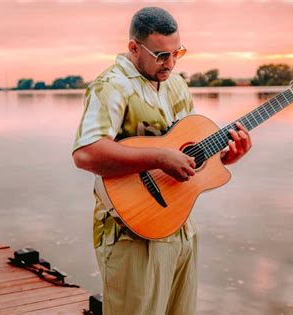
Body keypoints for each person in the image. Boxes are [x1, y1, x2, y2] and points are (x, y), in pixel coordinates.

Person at [72, 7, 252, 315]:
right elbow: (86, 153)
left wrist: (226, 158)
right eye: (161, 55)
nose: (170, 63)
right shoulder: (111, 86)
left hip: (180, 226)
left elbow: (188, 156)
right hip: (129, 233)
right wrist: (158, 156)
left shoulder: (176, 83)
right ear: (133, 48)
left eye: (176, 52)